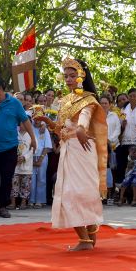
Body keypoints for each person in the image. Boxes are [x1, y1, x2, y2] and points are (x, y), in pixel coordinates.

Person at [44, 57, 107, 251]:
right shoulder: (65, 100)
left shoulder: (88, 99)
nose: (69, 79)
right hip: (68, 150)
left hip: (83, 149)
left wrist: (81, 129)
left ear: (81, 77)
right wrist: (46, 120)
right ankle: (86, 240)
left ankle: (88, 239)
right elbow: (61, 130)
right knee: (67, 193)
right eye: (66, 76)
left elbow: (85, 120)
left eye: (73, 76)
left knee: (82, 193)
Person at [0, 77, 34, 218]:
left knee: (6, 178)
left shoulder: (14, 103)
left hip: (9, 148)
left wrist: (33, 138)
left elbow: (25, 121)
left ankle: (3, 206)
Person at [116, 88, 136, 184]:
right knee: (125, 166)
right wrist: (123, 125)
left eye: (134, 96)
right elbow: (119, 128)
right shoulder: (123, 110)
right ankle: (124, 189)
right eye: (130, 96)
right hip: (126, 142)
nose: (132, 98)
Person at [29, 115, 52, 208]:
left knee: (41, 179)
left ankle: (40, 200)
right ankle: (31, 200)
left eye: (39, 120)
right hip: (31, 156)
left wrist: (41, 159)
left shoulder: (45, 130)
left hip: (42, 156)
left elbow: (47, 146)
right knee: (32, 179)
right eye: (35, 119)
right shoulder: (30, 128)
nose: (37, 121)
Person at [9, 122, 34, 210]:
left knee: (26, 184)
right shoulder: (15, 134)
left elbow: (33, 148)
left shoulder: (31, 135)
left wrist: (24, 157)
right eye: (21, 123)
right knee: (13, 183)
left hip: (26, 163)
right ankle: (13, 203)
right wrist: (15, 156)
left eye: (25, 123)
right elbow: (11, 146)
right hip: (15, 163)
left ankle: (23, 202)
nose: (22, 125)